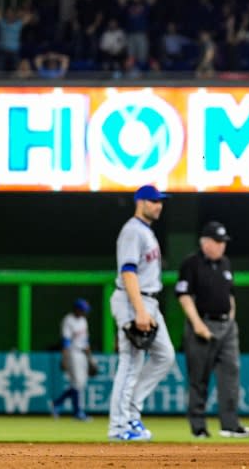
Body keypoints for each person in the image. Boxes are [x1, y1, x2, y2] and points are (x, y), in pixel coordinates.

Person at [107, 185, 176, 441]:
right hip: (133, 300)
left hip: (148, 301)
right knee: (130, 363)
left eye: (160, 202)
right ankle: (118, 427)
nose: (158, 205)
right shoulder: (133, 231)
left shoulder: (145, 231)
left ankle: (131, 414)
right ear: (140, 202)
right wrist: (139, 311)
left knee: (165, 356)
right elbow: (128, 271)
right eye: (153, 201)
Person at [175, 221, 249, 440]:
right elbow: (183, 295)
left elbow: (231, 295)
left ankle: (230, 425)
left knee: (231, 376)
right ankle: (198, 427)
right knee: (198, 378)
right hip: (202, 324)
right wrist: (197, 324)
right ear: (205, 242)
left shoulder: (225, 263)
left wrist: (231, 319)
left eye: (223, 242)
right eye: (217, 242)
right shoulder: (191, 263)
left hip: (226, 326)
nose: (221, 246)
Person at [50, 298, 93, 421]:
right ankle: (77, 412)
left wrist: (90, 359)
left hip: (83, 353)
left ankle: (57, 403)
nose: (84, 312)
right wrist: (64, 358)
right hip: (72, 353)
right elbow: (66, 341)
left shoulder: (83, 320)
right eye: (82, 310)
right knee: (77, 383)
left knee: (80, 383)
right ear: (76, 309)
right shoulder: (68, 320)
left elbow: (86, 341)